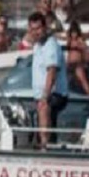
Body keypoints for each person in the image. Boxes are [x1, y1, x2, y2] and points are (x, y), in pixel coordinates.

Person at [29, 12, 69, 149]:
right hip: (40, 94)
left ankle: (44, 146)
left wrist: (45, 97)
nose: (36, 32)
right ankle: (39, 141)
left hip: (55, 94)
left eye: (38, 28)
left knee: (44, 106)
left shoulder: (50, 45)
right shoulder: (37, 46)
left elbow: (52, 72)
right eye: (32, 29)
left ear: (45, 27)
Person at [66, 21, 89, 97]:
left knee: (82, 78)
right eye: (72, 33)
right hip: (70, 64)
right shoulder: (69, 40)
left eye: (75, 32)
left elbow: (85, 50)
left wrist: (80, 47)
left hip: (78, 64)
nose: (74, 34)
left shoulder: (80, 40)